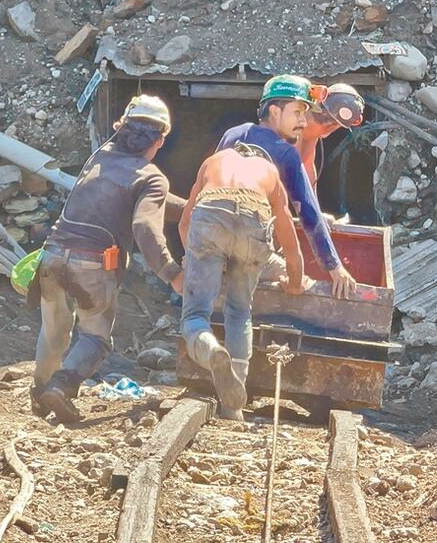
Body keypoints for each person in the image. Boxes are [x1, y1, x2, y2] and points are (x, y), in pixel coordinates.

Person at [32, 95, 184, 424]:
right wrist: (172, 272)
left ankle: (40, 393)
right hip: (93, 266)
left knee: (54, 330)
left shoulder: (98, 157)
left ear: (121, 128)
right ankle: (61, 386)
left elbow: (145, 199)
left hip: (52, 255)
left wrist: (190, 209)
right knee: (94, 338)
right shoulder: (152, 177)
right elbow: (144, 222)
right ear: (160, 140)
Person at [179, 144, 308, 420]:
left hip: (210, 216)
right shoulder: (270, 173)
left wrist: (196, 262)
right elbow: (288, 234)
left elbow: (184, 223)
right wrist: (295, 280)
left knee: (195, 314)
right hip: (254, 221)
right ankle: (233, 406)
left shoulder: (212, 160)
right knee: (239, 311)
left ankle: (211, 349)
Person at [215, 74, 358, 299]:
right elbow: (297, 205)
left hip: (212, 232)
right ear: (275, 111)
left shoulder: (235, 134)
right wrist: (332, 266)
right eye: (299, 113)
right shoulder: (288, 146)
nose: (303, 121)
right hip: (250, 231)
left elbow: (306, 185)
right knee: (297, 282)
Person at [296, 83, 365, 194]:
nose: (328, 129)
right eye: (326, 122)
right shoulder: (290, 132)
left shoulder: (311, 136)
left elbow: (307, 166)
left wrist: (313, 206)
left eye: (334, 125)